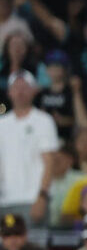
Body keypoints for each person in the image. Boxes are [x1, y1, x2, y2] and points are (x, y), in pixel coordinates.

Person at [0, 71, 61, 219]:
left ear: (33, 91)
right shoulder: (2, 124)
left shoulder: (44, 121)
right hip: (5, 201)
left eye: (25, 87)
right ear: (9, 92)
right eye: (16, 87)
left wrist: (42, 195)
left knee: (35, 242)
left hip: (33, 200)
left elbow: (50, 162)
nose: (20, 92)